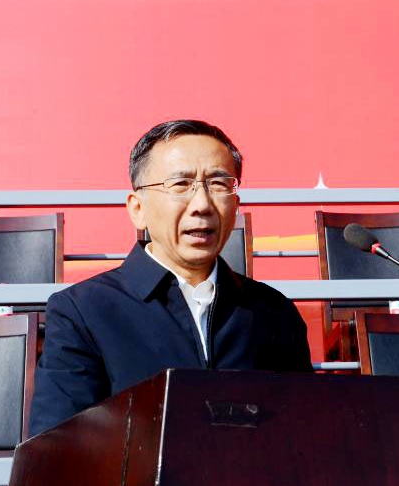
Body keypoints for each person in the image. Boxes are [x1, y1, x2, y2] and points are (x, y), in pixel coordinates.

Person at [29, 120, 312, 435]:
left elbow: (305, 432)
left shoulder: (273, 312)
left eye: (219, 184)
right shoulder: (84, 312)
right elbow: (58, 446)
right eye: (180, 184)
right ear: (138, 209)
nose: (202, 204)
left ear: (235, 205)